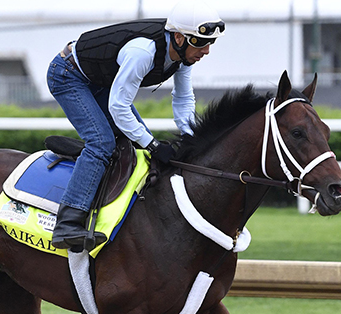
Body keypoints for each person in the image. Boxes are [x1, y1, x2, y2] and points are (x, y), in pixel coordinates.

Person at [47, 0, 225, 252]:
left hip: (100, 80)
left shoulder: (183, 57)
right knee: (102, 142)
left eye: (210, 43)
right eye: (200, 42)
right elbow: (118, 108)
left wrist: (192, 139)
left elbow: (184, 99)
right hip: (69, 74)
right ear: (178, 37)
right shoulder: (143, 52)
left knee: (134, 142)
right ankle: (67, 224)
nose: (206, 51)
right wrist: (153, 144)